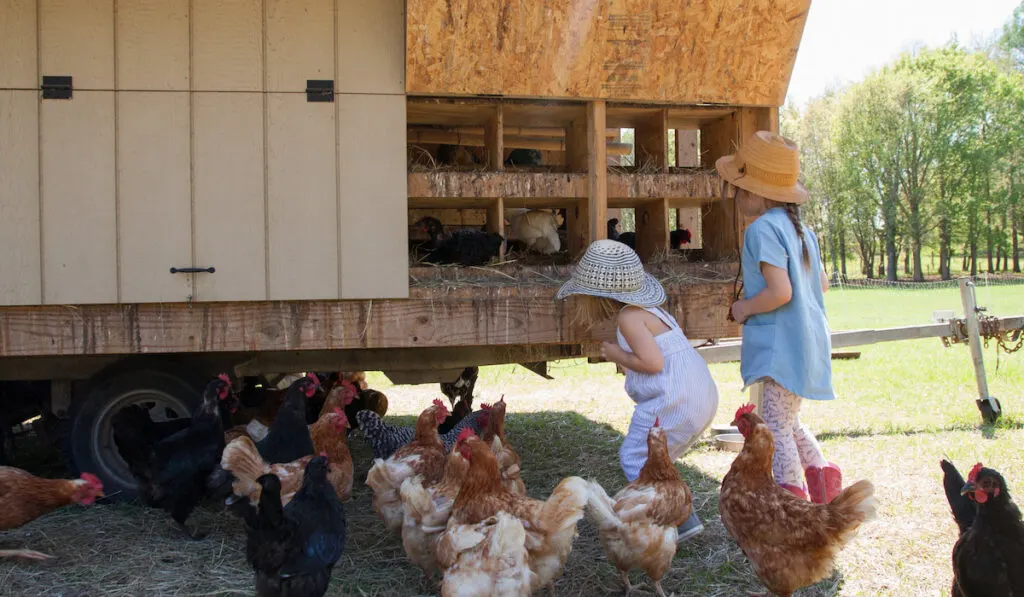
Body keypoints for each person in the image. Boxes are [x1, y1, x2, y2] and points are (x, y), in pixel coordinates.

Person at [556, 240, 719, 541]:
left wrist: (617, 354)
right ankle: (684, 516)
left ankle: (669, 521)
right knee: (659, 461)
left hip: (674, 400)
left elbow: (653, 362)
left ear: (596, 294)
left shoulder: (628, 318)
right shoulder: (649, 311)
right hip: (700, 395)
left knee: (635, 457)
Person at [715, 130, 839, 504]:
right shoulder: (804, 231)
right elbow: (822, 284)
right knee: (789, 421)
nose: (736, 196)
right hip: (809, 340)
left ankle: (791, 499)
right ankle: (822, 482)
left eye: (738, 187)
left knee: (774, 428)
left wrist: (743, 308)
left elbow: (780, 292)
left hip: (781, 346)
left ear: (754, 190)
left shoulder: (762, 229)